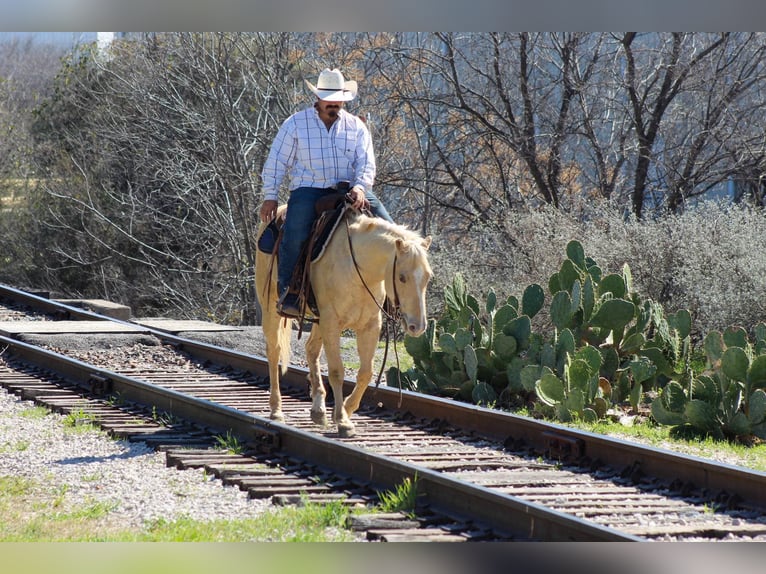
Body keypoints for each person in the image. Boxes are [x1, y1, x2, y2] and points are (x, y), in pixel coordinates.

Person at [259, 68, 394, 318]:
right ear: (318, 99)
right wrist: (270, 195)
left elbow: (366, 162)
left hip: (349, 189)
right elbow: (277, 161)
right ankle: (290, 291)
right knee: (296, 230)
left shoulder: (356, 126)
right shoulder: (296, 124)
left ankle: (394, 297)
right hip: (309, 188)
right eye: (328, 99)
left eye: (337, 99)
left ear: (344, 99)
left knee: (391, 231)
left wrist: (360, 186)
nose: (333, 104)